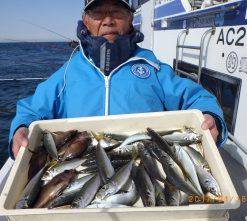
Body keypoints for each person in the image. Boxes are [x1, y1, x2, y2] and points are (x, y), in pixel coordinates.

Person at [9, 0, 227, 158]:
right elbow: (32, 110)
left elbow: (196, 96)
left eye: (117, 12)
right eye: (97, 14)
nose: (108, 20)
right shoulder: (67, 73)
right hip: (80, 163)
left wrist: (211, 117)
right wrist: (20, 130)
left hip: (146, 162)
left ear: (130, 21)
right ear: (85, 21)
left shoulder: (152, 68)